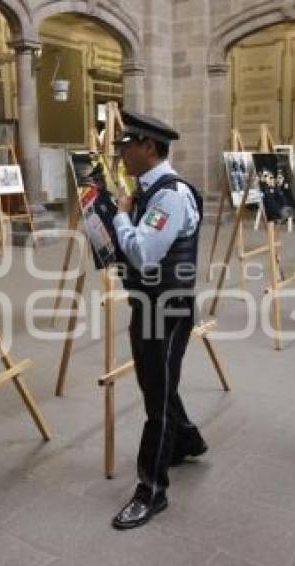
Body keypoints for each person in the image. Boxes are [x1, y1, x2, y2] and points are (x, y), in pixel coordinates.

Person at [110, 110, 206, 530]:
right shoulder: (150, 191)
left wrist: (119, 215)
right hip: (151, 304)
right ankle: (187, 439)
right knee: (156, 383)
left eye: (125, 145)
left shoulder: (168, 195)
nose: (120, 153)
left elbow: (144, 253)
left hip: (165, 309)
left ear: (149, 146)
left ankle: (152, 489)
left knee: (156, 397)